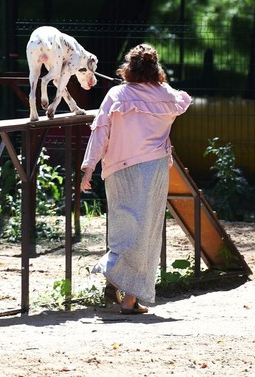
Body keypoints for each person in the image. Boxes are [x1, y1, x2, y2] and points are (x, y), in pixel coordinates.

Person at [80, 43, 192, 314]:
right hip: (153, 169)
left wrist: (89, 167)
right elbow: (181, 99)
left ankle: (115, 277)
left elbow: (100, 130)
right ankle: (127, 295)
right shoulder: (167, 95)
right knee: (146, 233)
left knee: (123, 229)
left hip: (118, 169)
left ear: (128, 68)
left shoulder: (117, 94)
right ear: (156, 68)